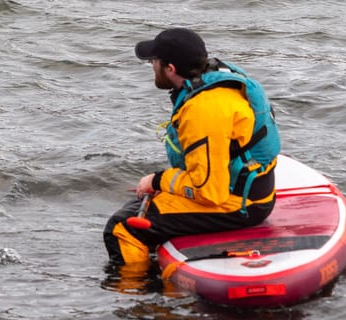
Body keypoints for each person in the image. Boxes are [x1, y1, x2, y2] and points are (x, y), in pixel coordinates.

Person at [103, 28, 281, 265]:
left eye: (154, 61)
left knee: (121, 228)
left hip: (239, 205)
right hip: (250, 191)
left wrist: (157, 181)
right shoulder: (218, 80)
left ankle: (140, 294)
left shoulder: (202, 110)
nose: (152, 67)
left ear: (171, 69)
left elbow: (208, 191)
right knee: (139, 204)